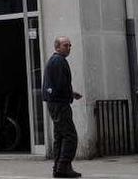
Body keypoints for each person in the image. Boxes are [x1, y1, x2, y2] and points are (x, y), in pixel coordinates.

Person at [42, 36, 83, 178]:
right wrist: (70, 95)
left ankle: (59, 167)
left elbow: (59, 84)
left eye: (70, 45)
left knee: (60, 136)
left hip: (55, 102)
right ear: (57, 47)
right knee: (70, 136)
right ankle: (64, 166)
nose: (69, 48)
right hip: (59, 104)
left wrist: (71, 93)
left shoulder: (55, 61)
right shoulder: (59, 61)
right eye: (65, 45)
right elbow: (60, 85)